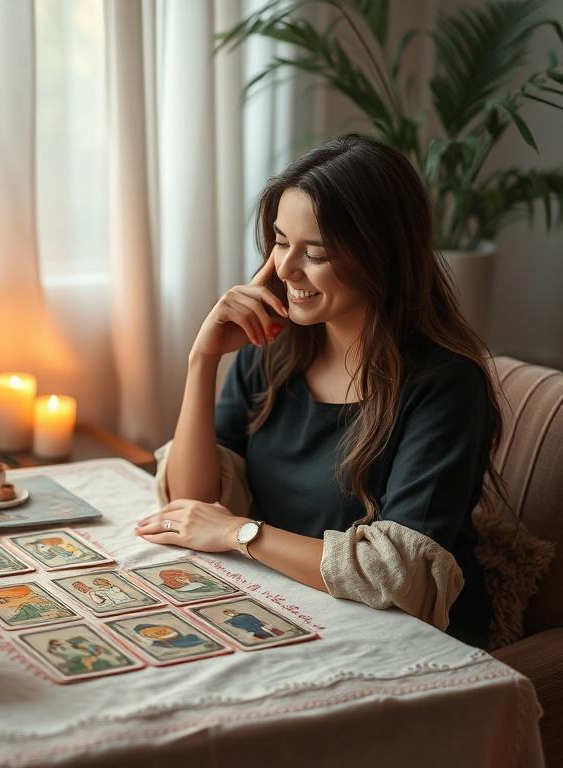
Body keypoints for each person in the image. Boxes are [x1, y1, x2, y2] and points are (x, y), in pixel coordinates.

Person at [135, 134, 503, 648]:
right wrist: (203, 360)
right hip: (282, 606)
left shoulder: (445, 385)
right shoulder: (271, 355)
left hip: (406, 638)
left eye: (316, 252)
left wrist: (239, 533)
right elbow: (193, 506)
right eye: (281, 242)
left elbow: (395, 576)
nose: (285, 270)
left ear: (382, 256)